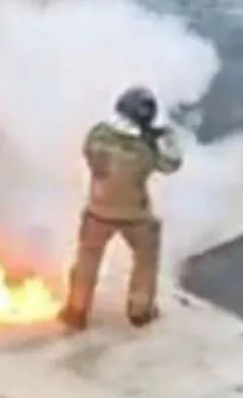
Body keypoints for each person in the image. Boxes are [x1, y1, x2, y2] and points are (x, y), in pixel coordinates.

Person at [57, 86, 182, 331]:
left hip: (97, 210)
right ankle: (140, 310)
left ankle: (76, 311)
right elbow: (170, 165)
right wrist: (166, 140)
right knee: (146, 256)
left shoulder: (97, 136)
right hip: (134, 214)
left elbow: (91, 155)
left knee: (87, 258)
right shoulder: (146, 149)